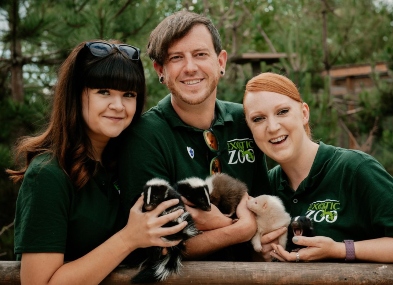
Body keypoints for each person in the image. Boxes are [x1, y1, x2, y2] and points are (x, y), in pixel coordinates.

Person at [7, 40, 188, 285]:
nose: (118, 106)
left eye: (128, 95)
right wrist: (128, 239)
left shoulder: (124, 164)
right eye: (103, 92)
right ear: (76, 94)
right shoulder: (49, 175)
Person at [118, 10, 273, 261]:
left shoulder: (246, 121)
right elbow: (156, 246)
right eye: (176, 58)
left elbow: (265, 208)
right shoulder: (144, 135)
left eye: (200, 54)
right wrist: (242, 229)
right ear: (160, 70)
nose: (190, 68)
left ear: (220, 62)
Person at [243, 72, 393, 263]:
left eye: (282, 112)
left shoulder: (354, 169)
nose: (272, 127)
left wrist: (340, 249)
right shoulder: (266, 187)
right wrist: (261, 254)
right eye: (258, 119)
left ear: (304, 113)